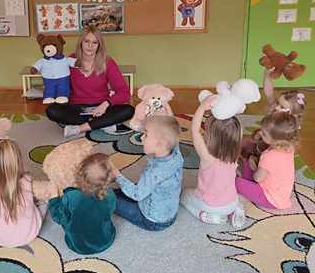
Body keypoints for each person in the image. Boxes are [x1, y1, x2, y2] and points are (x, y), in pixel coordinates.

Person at [46, 27, 134, 138]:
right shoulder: (70, 61)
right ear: (81, 43)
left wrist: (105, 104)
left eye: (94, 42)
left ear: (99, 45)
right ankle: (103, 123)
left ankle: (80, 128)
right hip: (77, 108)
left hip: (102, 107)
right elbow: (62, 87)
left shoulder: (107, 62)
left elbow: (124, 92)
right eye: (86, 41)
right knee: (52, 111)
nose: (90, 46)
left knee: (128, 110)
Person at [181, 96, 244, 227]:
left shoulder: (207, 156)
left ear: (211, 136)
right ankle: (236, 211)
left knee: (185, 196)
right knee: (231, 198)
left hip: (210, 206)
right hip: (232, 202)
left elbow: (194, 131)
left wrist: (202, 107)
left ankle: (204, 215)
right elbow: (236, 131)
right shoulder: (234, 155)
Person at [112, 115, 183, 231]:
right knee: (120, 191)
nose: (141, 138)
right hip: (169, 213)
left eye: (146, 134)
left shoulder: (154, 172)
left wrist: (117, 176)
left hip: (152, 220)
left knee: (108, 198)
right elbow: (172, 131)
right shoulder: (176, 154)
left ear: (160, 144)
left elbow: (137, 194)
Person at [49, 153, 116, 254]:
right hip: (106, 240)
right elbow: (110, 211)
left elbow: (59, 217)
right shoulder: (110, 195)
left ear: (80, 174)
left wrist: (54, 198)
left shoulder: (71, 197)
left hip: (79, 246)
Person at [236, 111, 298, 210]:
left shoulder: (268, 156)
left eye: (264, 134)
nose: (260, 133)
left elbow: (257, 178)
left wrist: (254, 166)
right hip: (281, 195)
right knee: (248, 160)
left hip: (269, 199)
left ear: (276, 140)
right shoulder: (289, 147)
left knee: (236, 182)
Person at [242, 68, 305, 161]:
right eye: (278, 102)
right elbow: (269, 93)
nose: (277, 107)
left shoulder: (289, 131)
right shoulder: (275, 108)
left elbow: (283, 149)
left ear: (293, 116)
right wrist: (267, 75)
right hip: (264, 140)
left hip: (271, 153)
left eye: (282, 107)